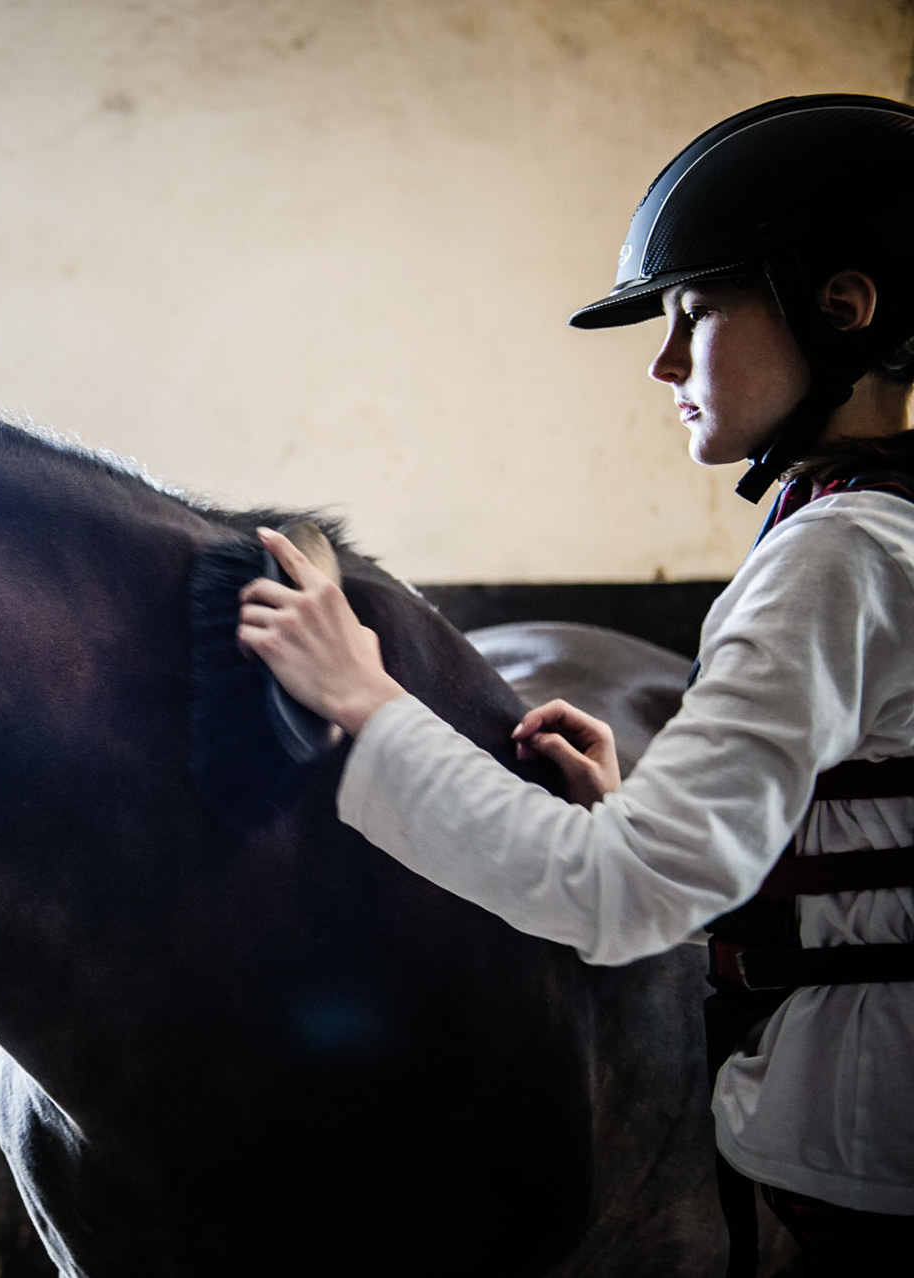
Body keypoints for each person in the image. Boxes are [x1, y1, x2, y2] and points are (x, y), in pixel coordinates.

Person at [237, 95, 914, 1277]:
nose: (661, 359)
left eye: (696, 311)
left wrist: (364, 701)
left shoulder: (837, 551)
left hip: (863, 1159)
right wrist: (643, 807)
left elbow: (619, 901)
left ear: (842, 309)